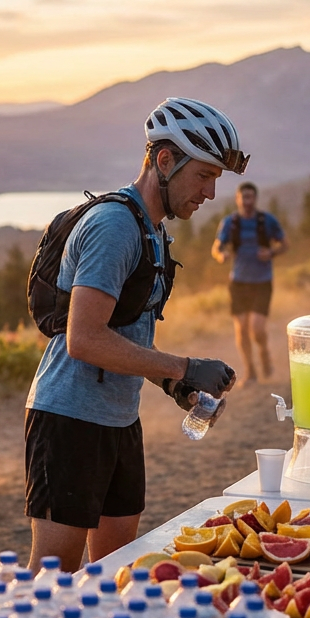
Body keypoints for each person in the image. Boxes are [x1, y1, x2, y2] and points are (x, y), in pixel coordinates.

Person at [25, 97, 241, 571]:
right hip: (69, 420)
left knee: (114, 571)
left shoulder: (153, 231)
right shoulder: (115, 227)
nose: (209, 193)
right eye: (204, 175)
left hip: (119, 422)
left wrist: (174, 384)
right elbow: (85, 339)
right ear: (165, 160)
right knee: (53, 578)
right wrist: (183, 366)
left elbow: (126, 338)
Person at [211, 181, 288, 387]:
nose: (247, 201)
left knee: (257, 327)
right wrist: (221, 255)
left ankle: (264, 352)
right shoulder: (230, 222)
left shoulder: (267, 221)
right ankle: (250, 370)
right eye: (243, 197)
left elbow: (285, 244)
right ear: (237, 199)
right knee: (241, 328)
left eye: (250, 197)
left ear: (255, 198)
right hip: (238, 282)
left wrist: (271, 252)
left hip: (262, 281)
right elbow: (217, 247)